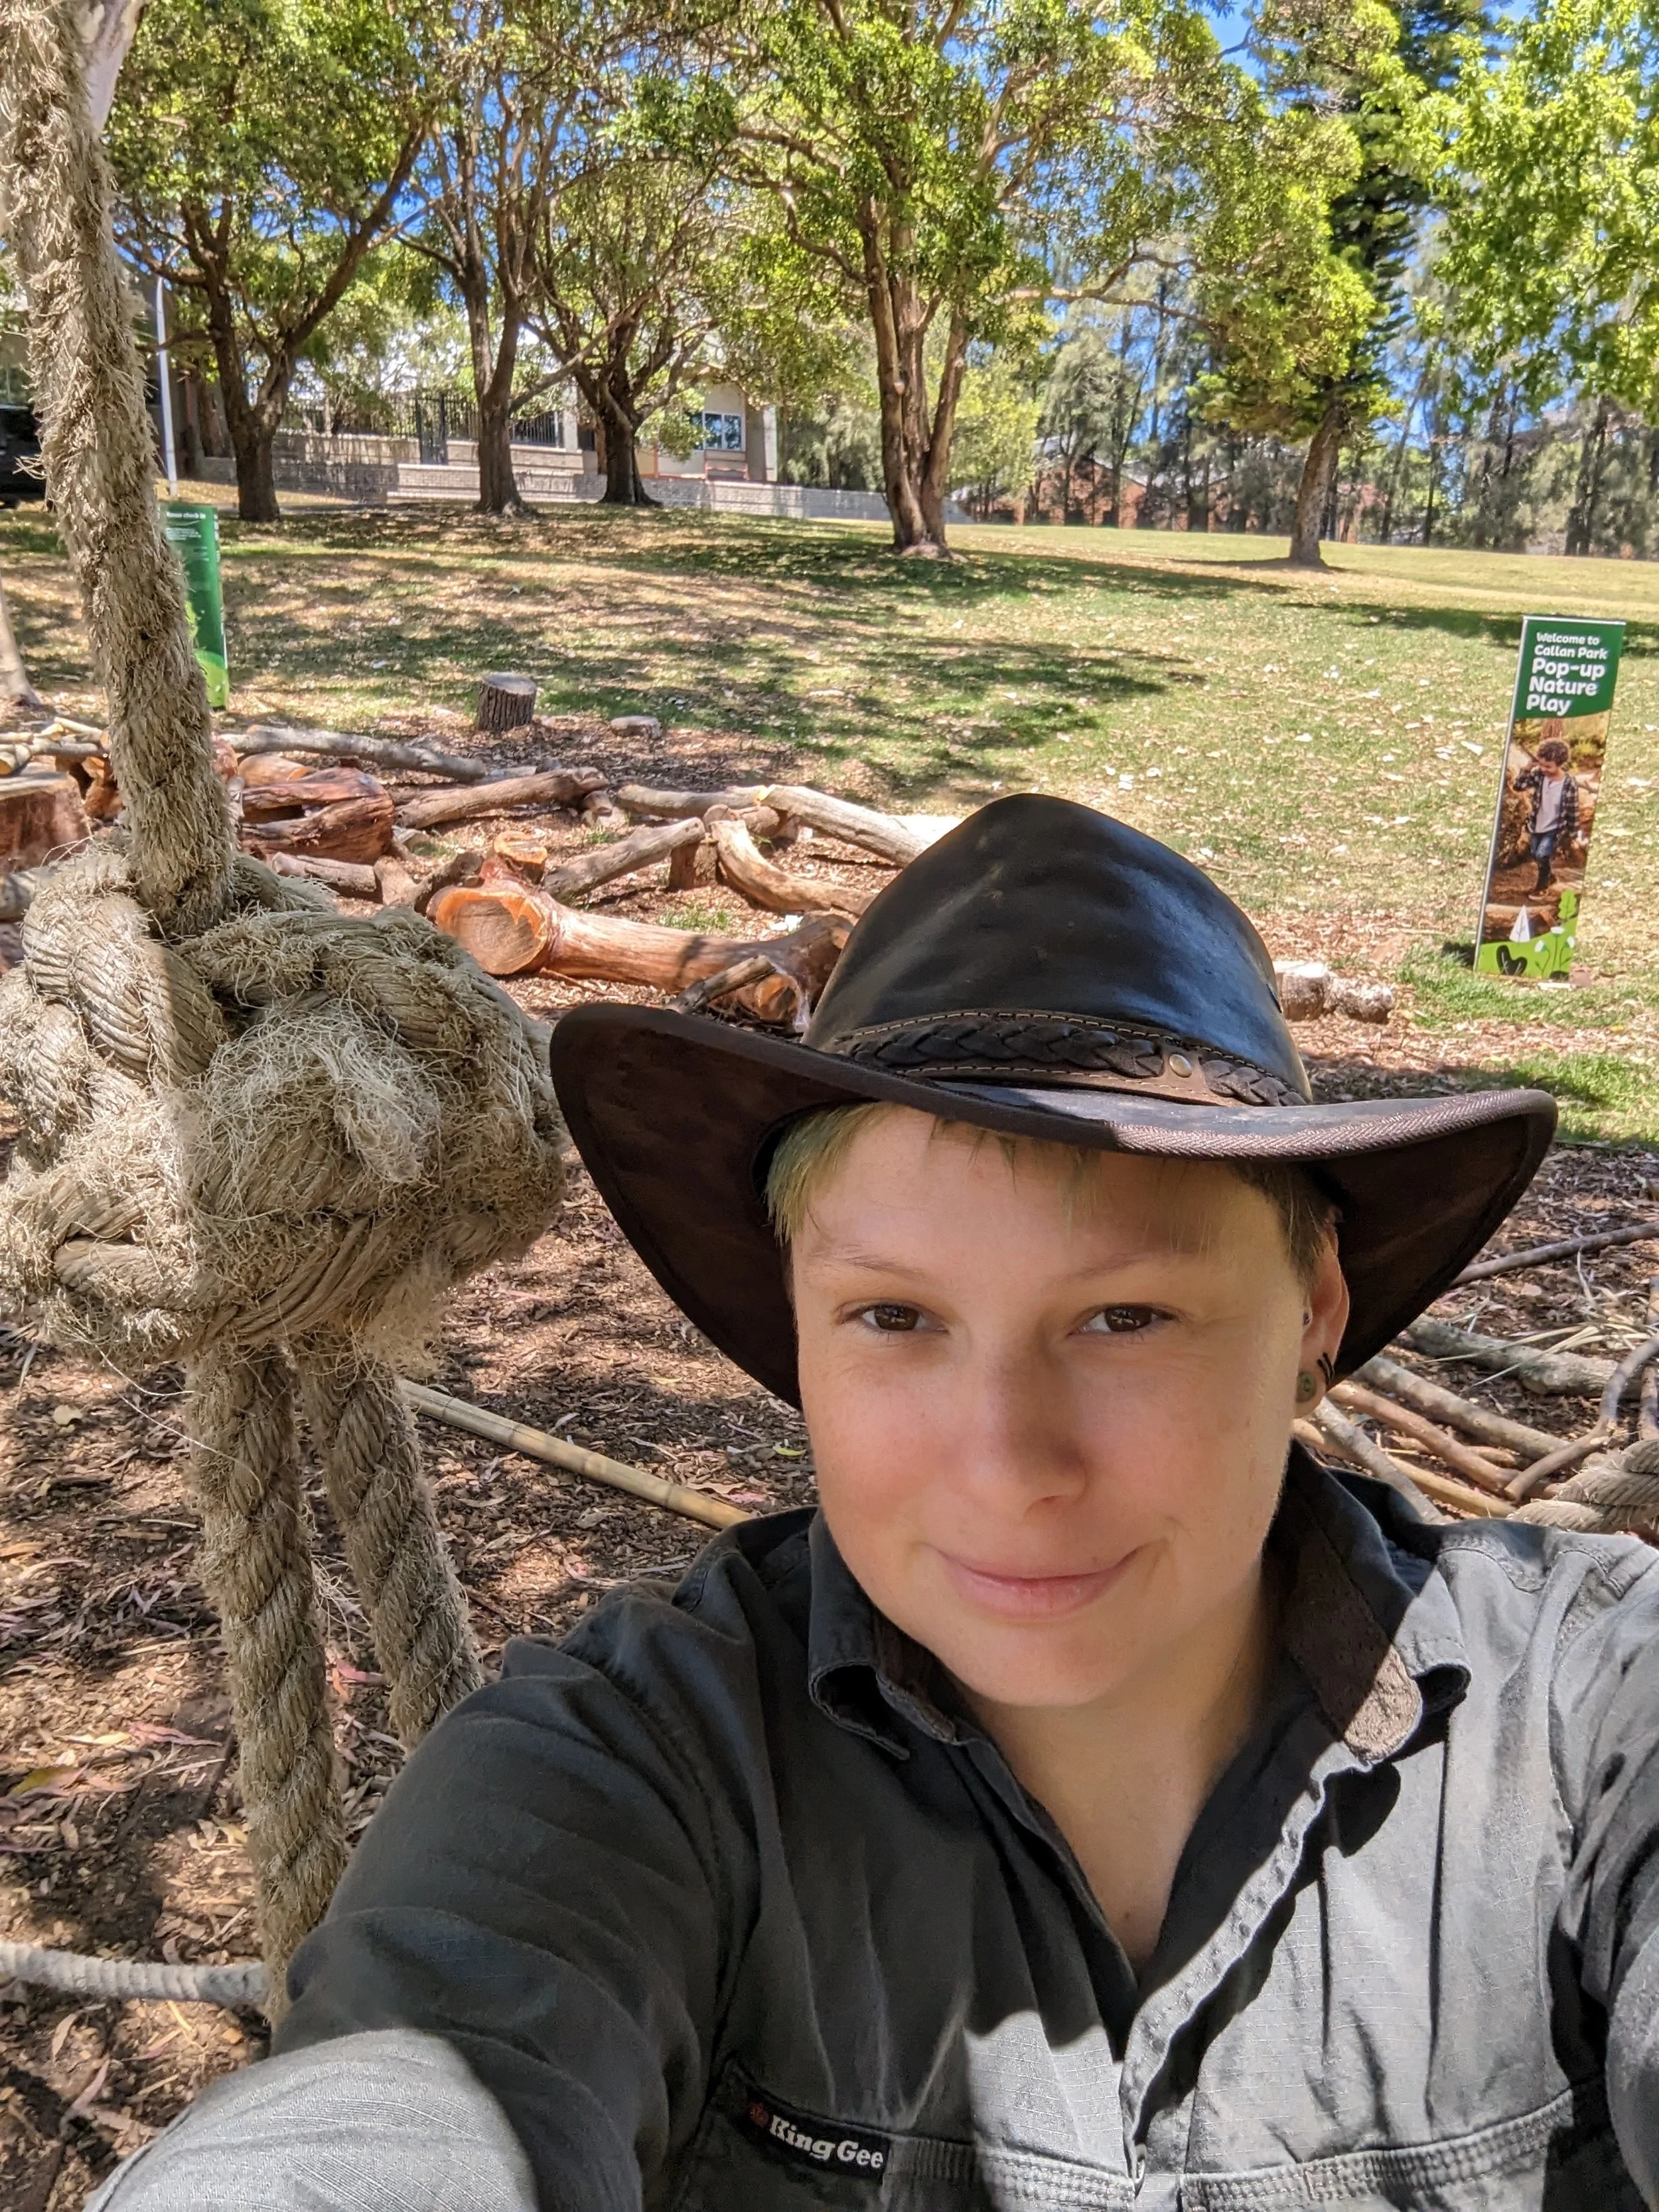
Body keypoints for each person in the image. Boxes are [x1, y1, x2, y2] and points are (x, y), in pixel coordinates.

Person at [92, 798, 1659, 2211]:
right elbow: (411, 2092)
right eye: (895, 1316)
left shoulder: (1585, 1717)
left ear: (1312, 1310)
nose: (1007, 1464)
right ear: (799, 1321)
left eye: (1125, 1317)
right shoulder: (633, 1769)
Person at [1514, 732, 1581, 892]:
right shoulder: (1538, 775)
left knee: (1543, 855)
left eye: (1548, 766)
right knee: (1536, 855)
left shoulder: (1569, 783)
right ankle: (1550, 876)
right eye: (1541, 765)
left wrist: (1572, 834)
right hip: (1537, 825)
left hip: (1555, 828)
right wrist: (1527, 768)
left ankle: (1541, 887)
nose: (1543, 769)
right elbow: (1518, 786)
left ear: (1560, 764)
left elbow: (1573, 809)